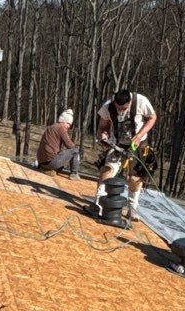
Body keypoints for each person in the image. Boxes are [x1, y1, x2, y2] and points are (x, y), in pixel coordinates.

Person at [95, 88, 157, 218]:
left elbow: (152, 117)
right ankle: (99, 203)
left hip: (138, 144)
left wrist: (140, 135)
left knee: (135, 177)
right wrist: (103, 134)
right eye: (118, 108)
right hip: (117, 143)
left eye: (123, 109)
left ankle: (132, 208)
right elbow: (103, 126)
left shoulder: (141, 101)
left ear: (129, 102)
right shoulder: (108, 107)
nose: (120, 111)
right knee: (107, 170)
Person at [36, 109, 81, 177]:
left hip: (41, 162)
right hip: (50, 162)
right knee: (75, 151)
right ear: (63, 121)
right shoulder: (61, 128)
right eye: (68, 123)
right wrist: (75, 146)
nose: (69, 126)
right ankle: (74, 174)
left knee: (61, 156)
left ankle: (45, 169)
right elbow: (69, 145)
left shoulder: (51, 127)